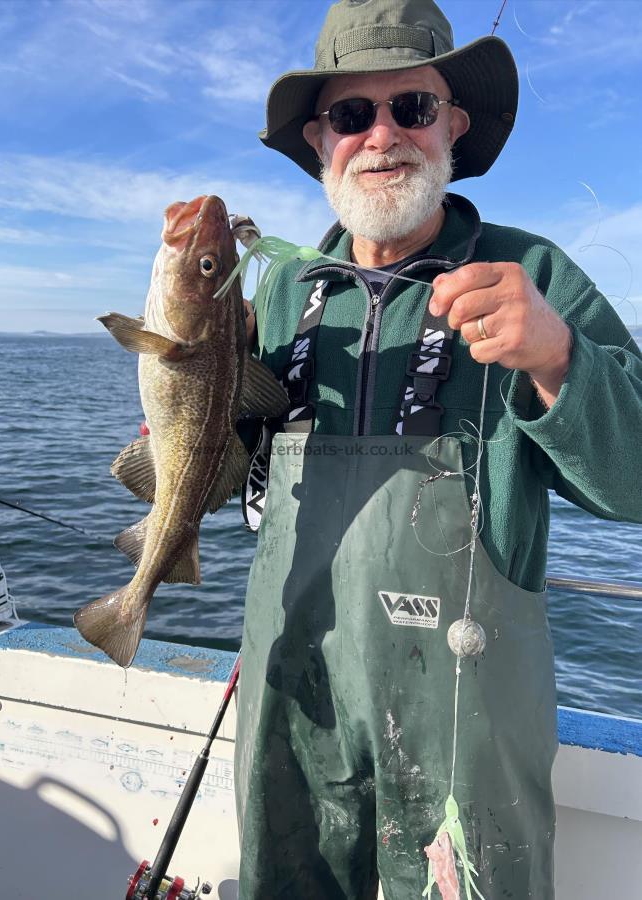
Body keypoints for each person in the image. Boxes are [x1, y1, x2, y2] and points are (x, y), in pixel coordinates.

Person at [234, 2, 642, 898]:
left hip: (469, 709)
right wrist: (185, 420)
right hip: (293, 694)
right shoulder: (280, 290)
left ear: (453, 123)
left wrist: (557, 359)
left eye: (412, 107)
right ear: (318, 140)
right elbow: (239, 472)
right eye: (351, 114)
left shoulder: (531, 271)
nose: (383, 135)